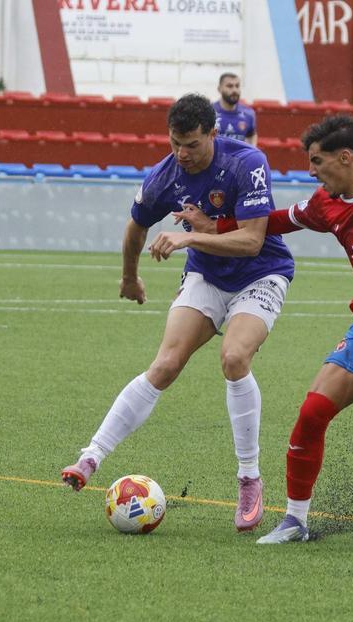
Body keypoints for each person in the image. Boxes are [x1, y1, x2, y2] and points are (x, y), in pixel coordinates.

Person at [185, 115, 353, 550]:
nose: (310, 170)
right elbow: (277, 221)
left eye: (317, 161)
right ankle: (295, 519)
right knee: (313, 410)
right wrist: (212, 227)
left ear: (346, 157)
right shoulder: (325, 203)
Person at [59, 93, 293, 534]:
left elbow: (252, 241)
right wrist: (129, 277)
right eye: (175, 144)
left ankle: (249, 478)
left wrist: (189, 239)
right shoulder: (164, 176)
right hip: (207, 277)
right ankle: (90, 457)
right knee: (165, 365)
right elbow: (136, 227)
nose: (182, 154)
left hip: (260, 275)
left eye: (191, 145)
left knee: (234, 357)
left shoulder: (247, 162)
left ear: (212, 134)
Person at [212, 73, 257, 145]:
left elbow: (251, 135)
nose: (234, 90)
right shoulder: (209, 112)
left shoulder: (249, 114)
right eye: (230, 86)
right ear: (219, 89)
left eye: (237, 86)